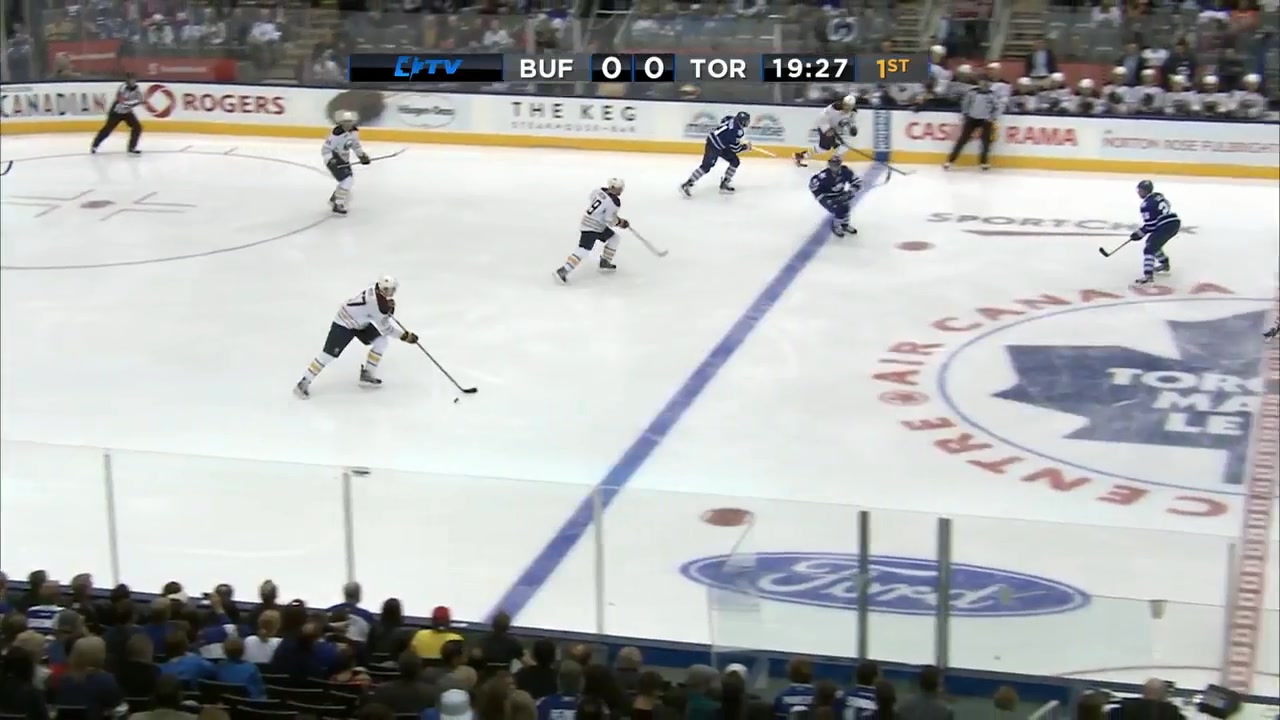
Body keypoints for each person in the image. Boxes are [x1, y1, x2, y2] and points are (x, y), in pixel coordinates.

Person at [943, 75, 999, 171]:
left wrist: (992, 117)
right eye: (983, 81)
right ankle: (950, 160)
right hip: (972, 118)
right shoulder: (972, 92)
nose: (984, 84)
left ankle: (984, 162)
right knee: (962, 140)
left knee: (986, 142)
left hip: (985, 120)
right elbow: (966, 103)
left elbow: (997, 107)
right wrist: (966, 114)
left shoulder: (992, 95)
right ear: (979, 82)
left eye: (987, 82)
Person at [90, 72, 143, 155]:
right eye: (131, 80)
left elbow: (139, 100)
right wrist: (131, 103)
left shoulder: (137, 89)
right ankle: (95, 146)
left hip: (127, 112)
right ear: (127, 80)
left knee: (137, 127)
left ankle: (132, 147)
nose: (133, 82)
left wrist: (130, 103)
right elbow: (121, 100)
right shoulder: (122, 87)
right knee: (107, 129)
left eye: (134, 80)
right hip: (116, 112)